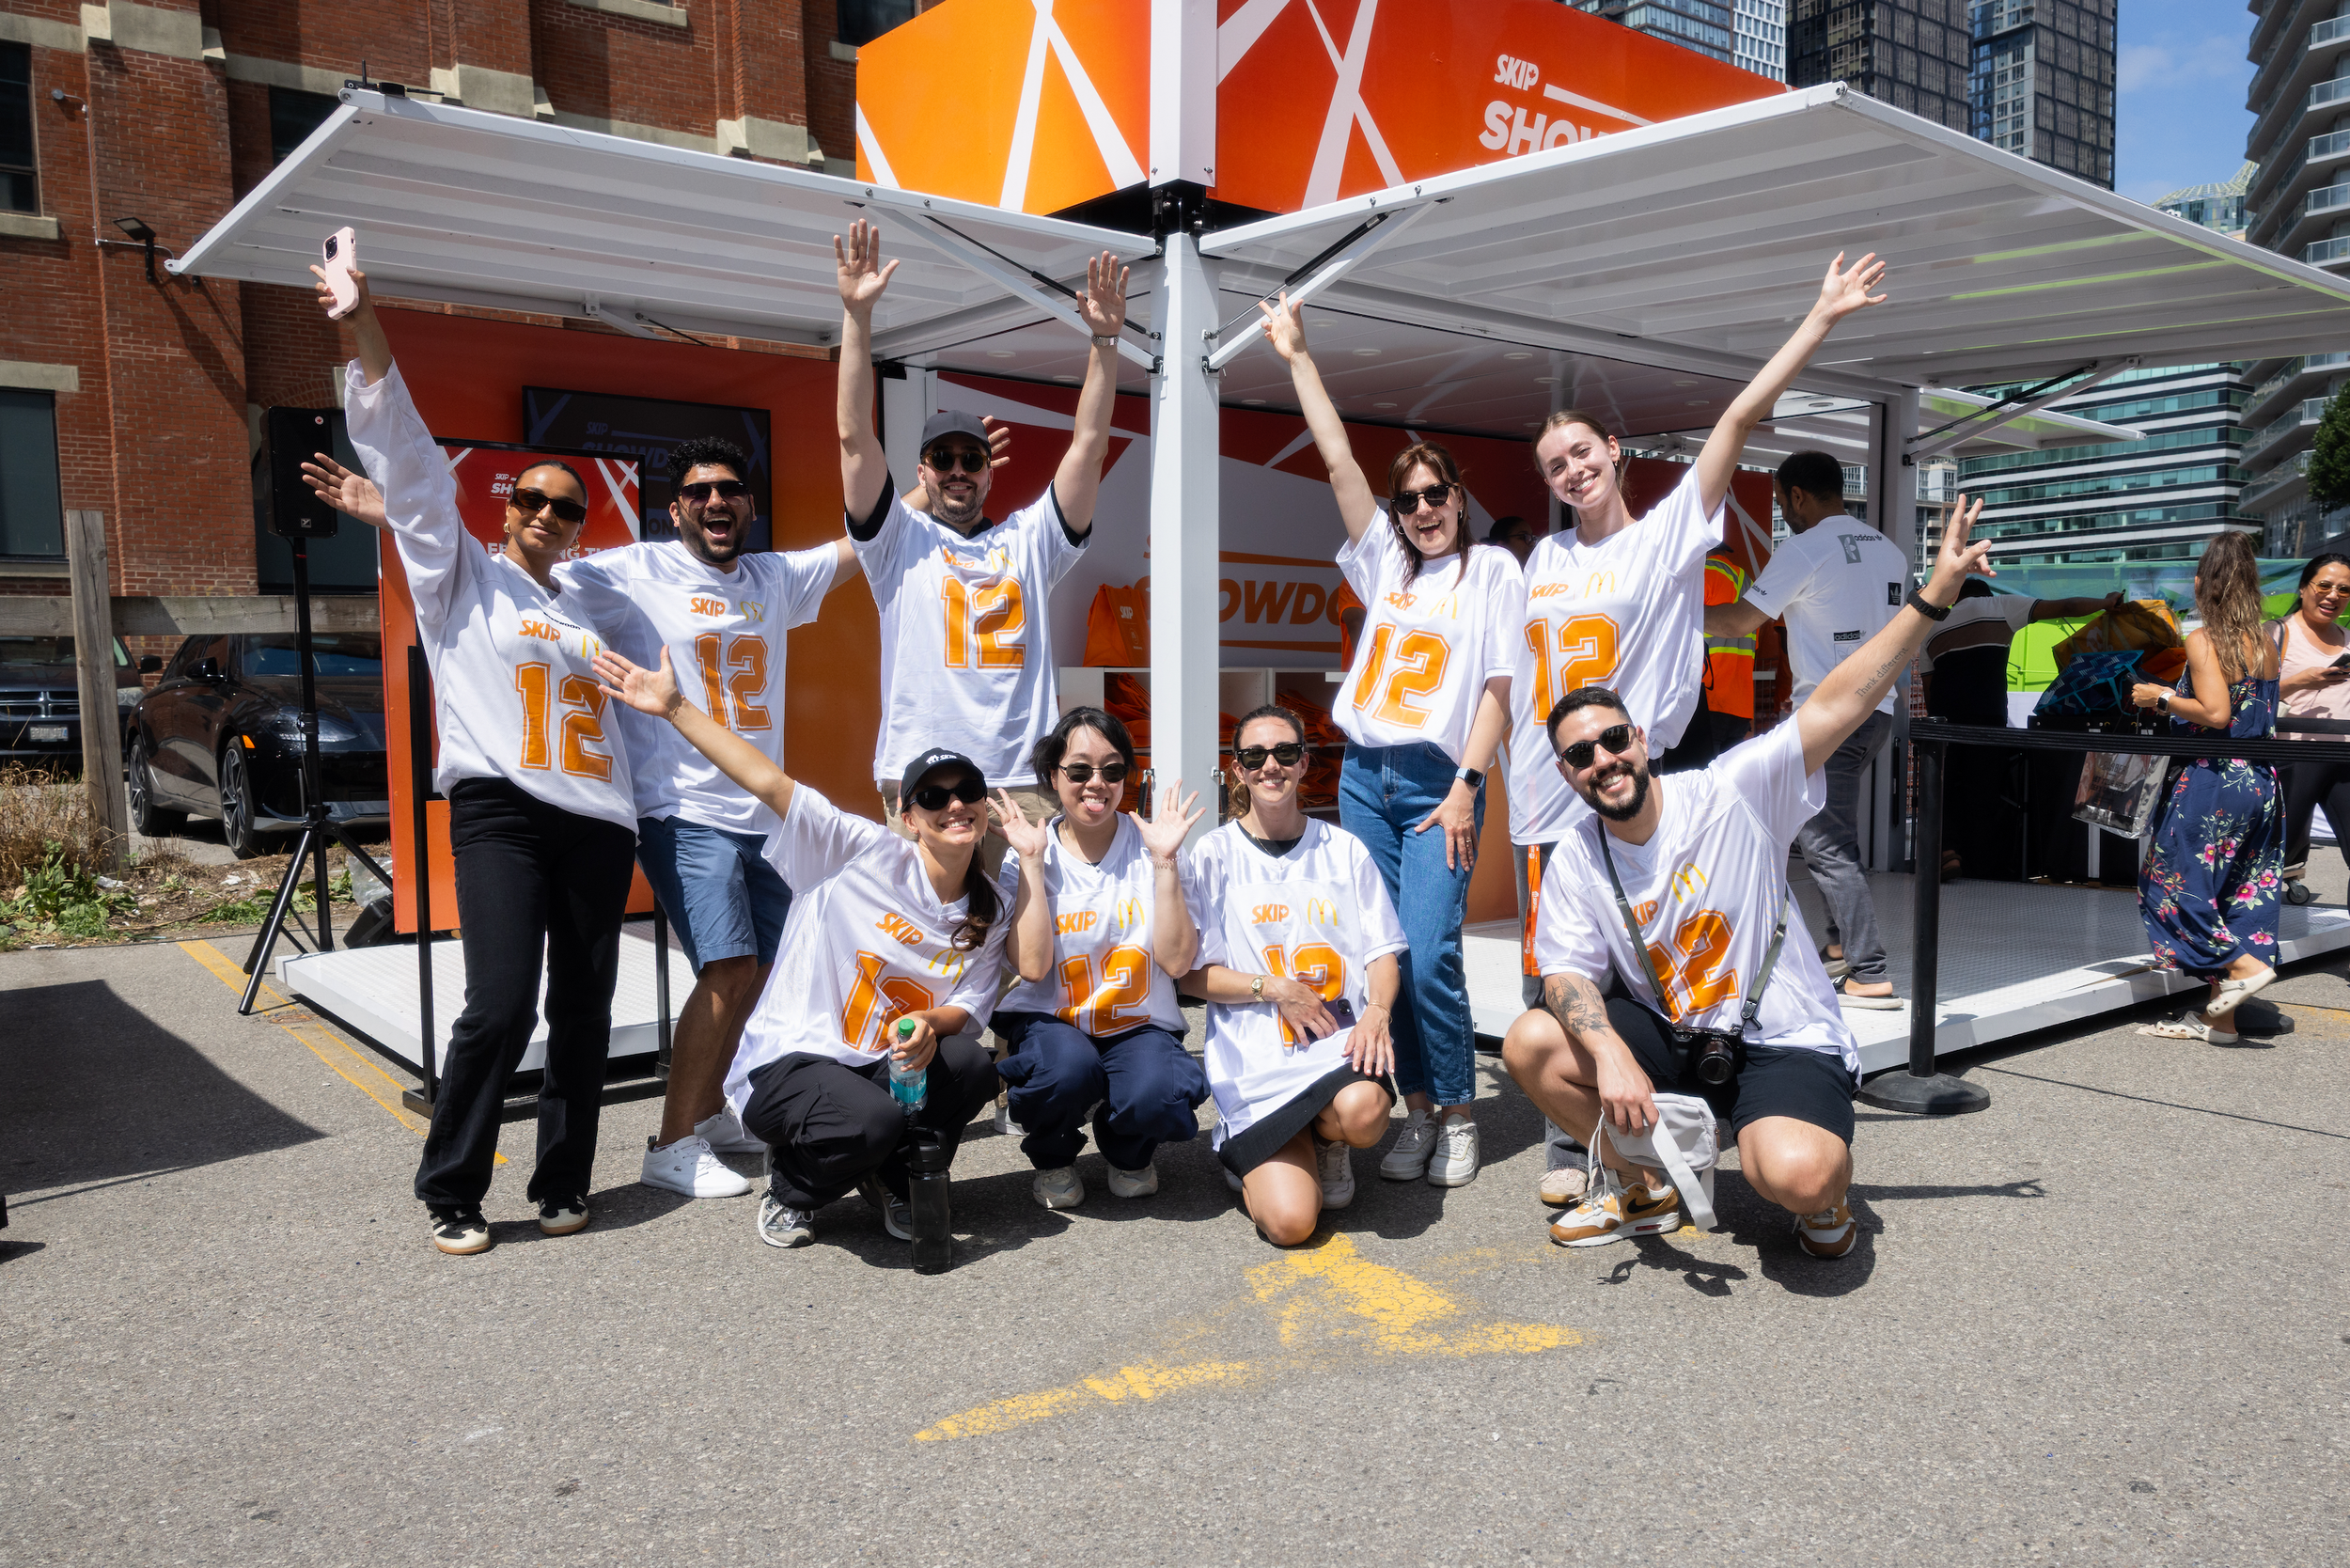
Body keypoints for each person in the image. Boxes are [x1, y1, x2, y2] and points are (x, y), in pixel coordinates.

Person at [1503, 494, 1997, 1258]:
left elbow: (1839, 698)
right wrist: (1608, 1057)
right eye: (1579, 754)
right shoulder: (1578, 853)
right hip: (1677, 1033)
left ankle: (1819, 1193)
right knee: (1533, 1039)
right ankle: (1645, 1185)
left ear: (1640, 738)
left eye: (1611, 740)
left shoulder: (1733, 790)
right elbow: (1566, 973)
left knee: (1796, 1177)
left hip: (1780, 1035)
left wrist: (1932, 599)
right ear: (1566, 773)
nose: (1601, 761)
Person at [1510, 253, 1890, 1200]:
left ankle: (1748, 1096)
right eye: (1555, 466)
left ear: (1614, 450)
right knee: (1566, 981)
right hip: (1558, 788)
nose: (1572, 470)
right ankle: (1599, 1154)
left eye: (1583, 452)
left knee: (1693, 953)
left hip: (1653, 773)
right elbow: (1517, 680)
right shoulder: (1542, 558)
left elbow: (1734, 421)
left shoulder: (1669, 529)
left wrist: (1818, 317)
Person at [300, 265, 638, 1257]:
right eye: (530, 498)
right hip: (499, 811)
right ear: (503, 510)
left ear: (583, 526)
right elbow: (411, 464)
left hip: (598, 820)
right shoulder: (464, 582)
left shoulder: (593, 600)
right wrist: (364, 327)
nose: (545, 513)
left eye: (566, 506)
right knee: (499, 1005)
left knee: (583, 1007)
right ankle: (453, 1185)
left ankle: (564, 1179)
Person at [594, 646, 1015, 1250]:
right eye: (932, 796)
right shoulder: (860, 852)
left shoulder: (990, 906)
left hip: (879, 1063)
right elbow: (767, 780)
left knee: (973, 1067)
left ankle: (893, 1180)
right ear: (909, 816)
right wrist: (675, 706)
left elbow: (970, 1009)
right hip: (792, 1064)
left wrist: (928, 1020)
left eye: (966, 790)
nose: (953, 804)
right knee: (875, 1120)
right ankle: (791, 1188)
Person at [552, 437, 859, 1202]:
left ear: (749, 502)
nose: (716, 502)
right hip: (683, 810)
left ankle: (711, 1107)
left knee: (761, 972)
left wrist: (927, 490)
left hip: (763, 815)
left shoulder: (774, 577)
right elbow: (529, 575)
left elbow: (861, 544)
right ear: (676, 509)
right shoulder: (634, 570)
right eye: (698, 493)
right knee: (725, 969)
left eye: (729, 489)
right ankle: (671, 1144)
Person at [1260, 293, 1523, 1188]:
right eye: (1407, 499)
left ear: (1459, 496)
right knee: (1384, 955)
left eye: (1434, 493)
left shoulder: (1492, 569)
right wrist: (1298, 355)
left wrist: (1466, 785)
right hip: (1366, 775)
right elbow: (1338, 462)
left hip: (1439, 780)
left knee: (1433, 948)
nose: (1420, 509)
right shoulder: (1388, 564)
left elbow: (1497, 688)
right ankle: (1412, 1109)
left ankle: (1456, 1111)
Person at [833, 218, 1129, 859]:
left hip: (1020, 782)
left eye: (972, 459)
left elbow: (1089, 447)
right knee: (933, 942)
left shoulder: (1032, 539)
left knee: (1027, 951)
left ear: (990, 471)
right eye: (944, 460)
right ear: (922, 472)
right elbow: (856, 439)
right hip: (922, 777)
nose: (959, 471)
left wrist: (1104, 342)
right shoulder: (895, 540)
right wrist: (857, 321)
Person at [1183, 705, 1407, 1247]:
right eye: (1254, 756)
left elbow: (1382, 953)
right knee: (1290, 1226)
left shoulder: (1344, 849)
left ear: (1305, 764)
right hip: (1257, 1060)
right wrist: (1274, 988)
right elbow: (1192, 977)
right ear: (1237, 770)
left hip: (1331, 1047)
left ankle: (1329, 1144)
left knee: (1365, 1111)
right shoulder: (1213, 853)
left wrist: (1377, 1011)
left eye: (1285, 753)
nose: (1271, 767)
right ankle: (1244, 1146)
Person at [1707, 447, 1908, 1009]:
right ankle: (1841, 948)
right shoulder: (1889, 551)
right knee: (1825, 825)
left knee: (1825, 842)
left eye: (1780, 502)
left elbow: (1741, 620)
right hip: (1879, 712)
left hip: (1827, 714)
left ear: (1797, 495)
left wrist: (1669, 620)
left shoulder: (1804, 549)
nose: (1782, 514)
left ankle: (1870, 972)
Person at [990, 709, 1210, 1208]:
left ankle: (1126, 1146)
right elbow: (1031, 967)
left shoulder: (1153, 847)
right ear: (1053, 776)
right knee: (1063, 1072)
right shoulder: (1030, 851)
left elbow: (1177, 964)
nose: (1097, 783)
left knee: (1162, 1090)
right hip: (1054, 1019)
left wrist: (1166, 863)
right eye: (1080, 770)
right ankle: (1054, 1156)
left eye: (1112, 770)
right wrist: (1029, 862)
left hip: (1137, 1020)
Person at [2129, 532, 2284, 1044]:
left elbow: (2216, 714)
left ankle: (2244, 967)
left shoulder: (2203, 639)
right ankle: (2220, 1021)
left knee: (2171, 886)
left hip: (2213, 779)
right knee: (2239, 892)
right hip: (2260, 781)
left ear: (2203, 583)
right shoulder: (2265, 640)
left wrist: (2159, 698)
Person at [1919, 579, 2122, 882]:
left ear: (1956, 598)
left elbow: (1929, 692)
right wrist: (2106, 603)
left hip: (1944, 728)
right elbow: (2064, 607)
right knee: (1983, 799)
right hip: (1986, 722)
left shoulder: (1932, 628)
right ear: (1984, 595)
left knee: (1949, 795)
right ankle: (1983, 872)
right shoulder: (1999, 606)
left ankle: (1947, 854)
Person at [2267, 554, 2350, 898]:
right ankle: (2233, 939)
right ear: (2304, 588)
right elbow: (2244, 695)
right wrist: (2301, 681)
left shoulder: (2347, 636)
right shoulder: (2274, 633)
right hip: (2293, 756)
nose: (2333, 595)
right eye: (2325, 585)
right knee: (2270, 855)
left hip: (2344, 755)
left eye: (2344, 590)